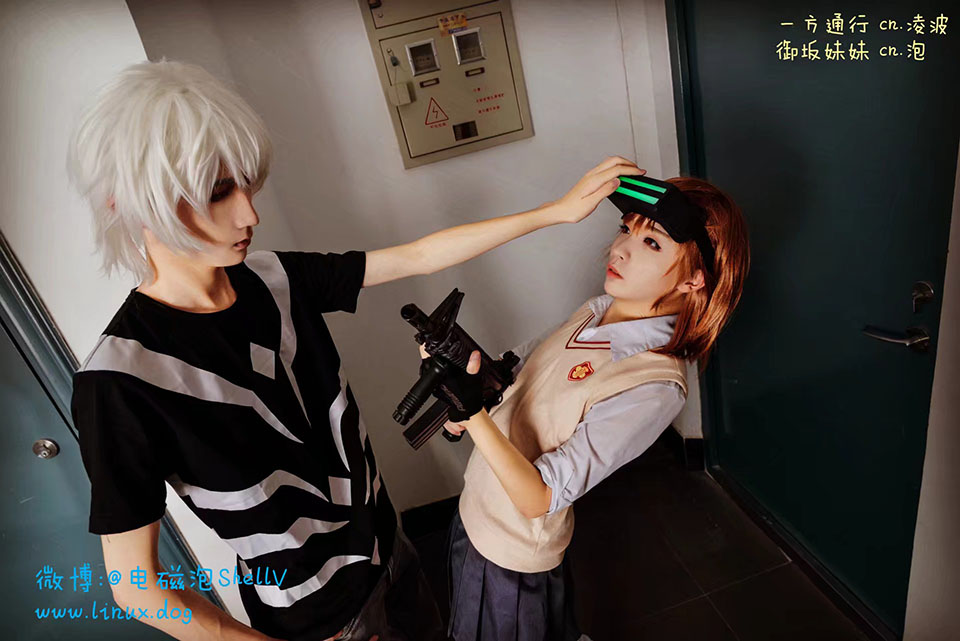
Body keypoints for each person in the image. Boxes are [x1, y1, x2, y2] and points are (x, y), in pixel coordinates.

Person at [65, 58, 646, 641]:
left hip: (391, 554)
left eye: (246, 184)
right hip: (314, 619)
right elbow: (135, 587)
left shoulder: (272, 278)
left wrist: (556, 212)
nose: (249, 213)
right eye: (219, 193)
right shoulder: (118, 381)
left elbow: (417, 256)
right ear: (131, 204)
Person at [420, 174, 750, 641]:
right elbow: (519, 375)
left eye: (652, 243)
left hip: (512, 552)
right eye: (626, 228)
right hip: (477, 510)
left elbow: (539, 498)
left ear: (695, 279)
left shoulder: (654, 384)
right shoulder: (598, 309)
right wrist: (468, 394)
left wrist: (473, 413)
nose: (621, 250)